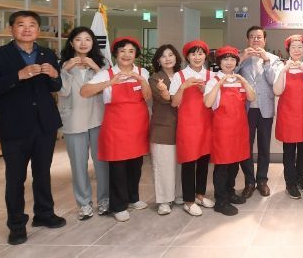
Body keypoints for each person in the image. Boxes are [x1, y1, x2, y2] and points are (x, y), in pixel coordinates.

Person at [0, 10, 66, 245]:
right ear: (11, 29)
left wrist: (54, 74)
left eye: (32, 25)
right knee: (15, 177)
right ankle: (16, 225)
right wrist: (18, 75)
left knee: (43, 173)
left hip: (44, 124)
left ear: (38, 30)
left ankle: (44, 214)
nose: (27, 29)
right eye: (21, 25)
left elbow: (56, 86)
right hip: (14, 126)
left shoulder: (47, 53)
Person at [81, 36, 151, 222]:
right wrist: (109, 83)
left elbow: (147, 96)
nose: (127, 55)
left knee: (135, 165)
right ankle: (118, 206)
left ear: (136, 54)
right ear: (115, 54)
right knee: (118, 167)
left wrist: (141, 80)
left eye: (131, 51)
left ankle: (133, 198)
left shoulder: (142, 71)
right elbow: (84, 91)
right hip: (116, 127)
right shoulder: (107, 74)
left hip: (138, 126)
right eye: (122, 51)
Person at [58, 26, 110, 220]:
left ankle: (104, 200)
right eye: (78, 39)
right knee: (78, 165)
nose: (83, 43)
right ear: (72, 43)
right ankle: (84, 204)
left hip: (98, 119)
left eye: (87, 39)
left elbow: (109, 89)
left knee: (102, 163)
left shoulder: (102, 64)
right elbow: (62, 91)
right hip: (73, 120)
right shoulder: (62, 65)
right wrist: (66, 70)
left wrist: (95, 67)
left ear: (93, 43)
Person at [204, 46, 256, 216]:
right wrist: (219, 83)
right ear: (219, 62)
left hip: (239, 129)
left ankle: (230, 192)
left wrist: (244, 82)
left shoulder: (239, 80)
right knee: (222, 166)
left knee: (234, 165)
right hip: (222, 131)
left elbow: (252, 97)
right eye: (225, 59)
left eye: (232, 59)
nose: (229, 62)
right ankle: (220, 201)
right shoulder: (213, 80)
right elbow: (207, 103)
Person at [170, 41, 215, 216]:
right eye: (193, 54)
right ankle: (188, 201)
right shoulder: (179, 76)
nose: (197, 57)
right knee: (189, 162)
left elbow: (215, 102)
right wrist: (184, 86)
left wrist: (205, 90)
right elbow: (174, 103)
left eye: (200, 53)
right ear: (187, 57)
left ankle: (200, 195)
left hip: (207, 124)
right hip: (188, 125)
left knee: (203, 161)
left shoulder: (212, 75)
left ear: (205, 56)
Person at [236, 26, 282, 199]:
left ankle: (262, 180)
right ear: (248, 39)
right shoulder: (240, 57)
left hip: (265, 109)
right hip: (245, 109)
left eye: (259, 37)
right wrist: (241, 59)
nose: (256, 39)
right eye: (252, 37)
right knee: (245, 147)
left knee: (264, 146)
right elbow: (228, 75)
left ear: (265, 40)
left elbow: (273, 82)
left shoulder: (274, 59)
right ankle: (249, 182)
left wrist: (266, 62)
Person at [273, 35, 303, 199]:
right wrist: (284, 71)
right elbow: (277, 91)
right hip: (288, 114)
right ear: (288, 50)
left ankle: (301, 179)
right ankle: (290, 183)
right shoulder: (281, 67)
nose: (297, 50)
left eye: (300, 47)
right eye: (293, 47)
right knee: (289, 151)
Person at [149, 44, 182, 216]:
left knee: (180, 164)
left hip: (183, 126)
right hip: (163, 126)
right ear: (158, 61)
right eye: (163, 56)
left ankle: (178, 195)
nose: (167, 58)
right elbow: (166, 100)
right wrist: (164, 92)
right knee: (164, 164)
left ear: (176, 57)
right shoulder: (155, 78)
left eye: (171, 54)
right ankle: (163, 200)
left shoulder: (182, 75)